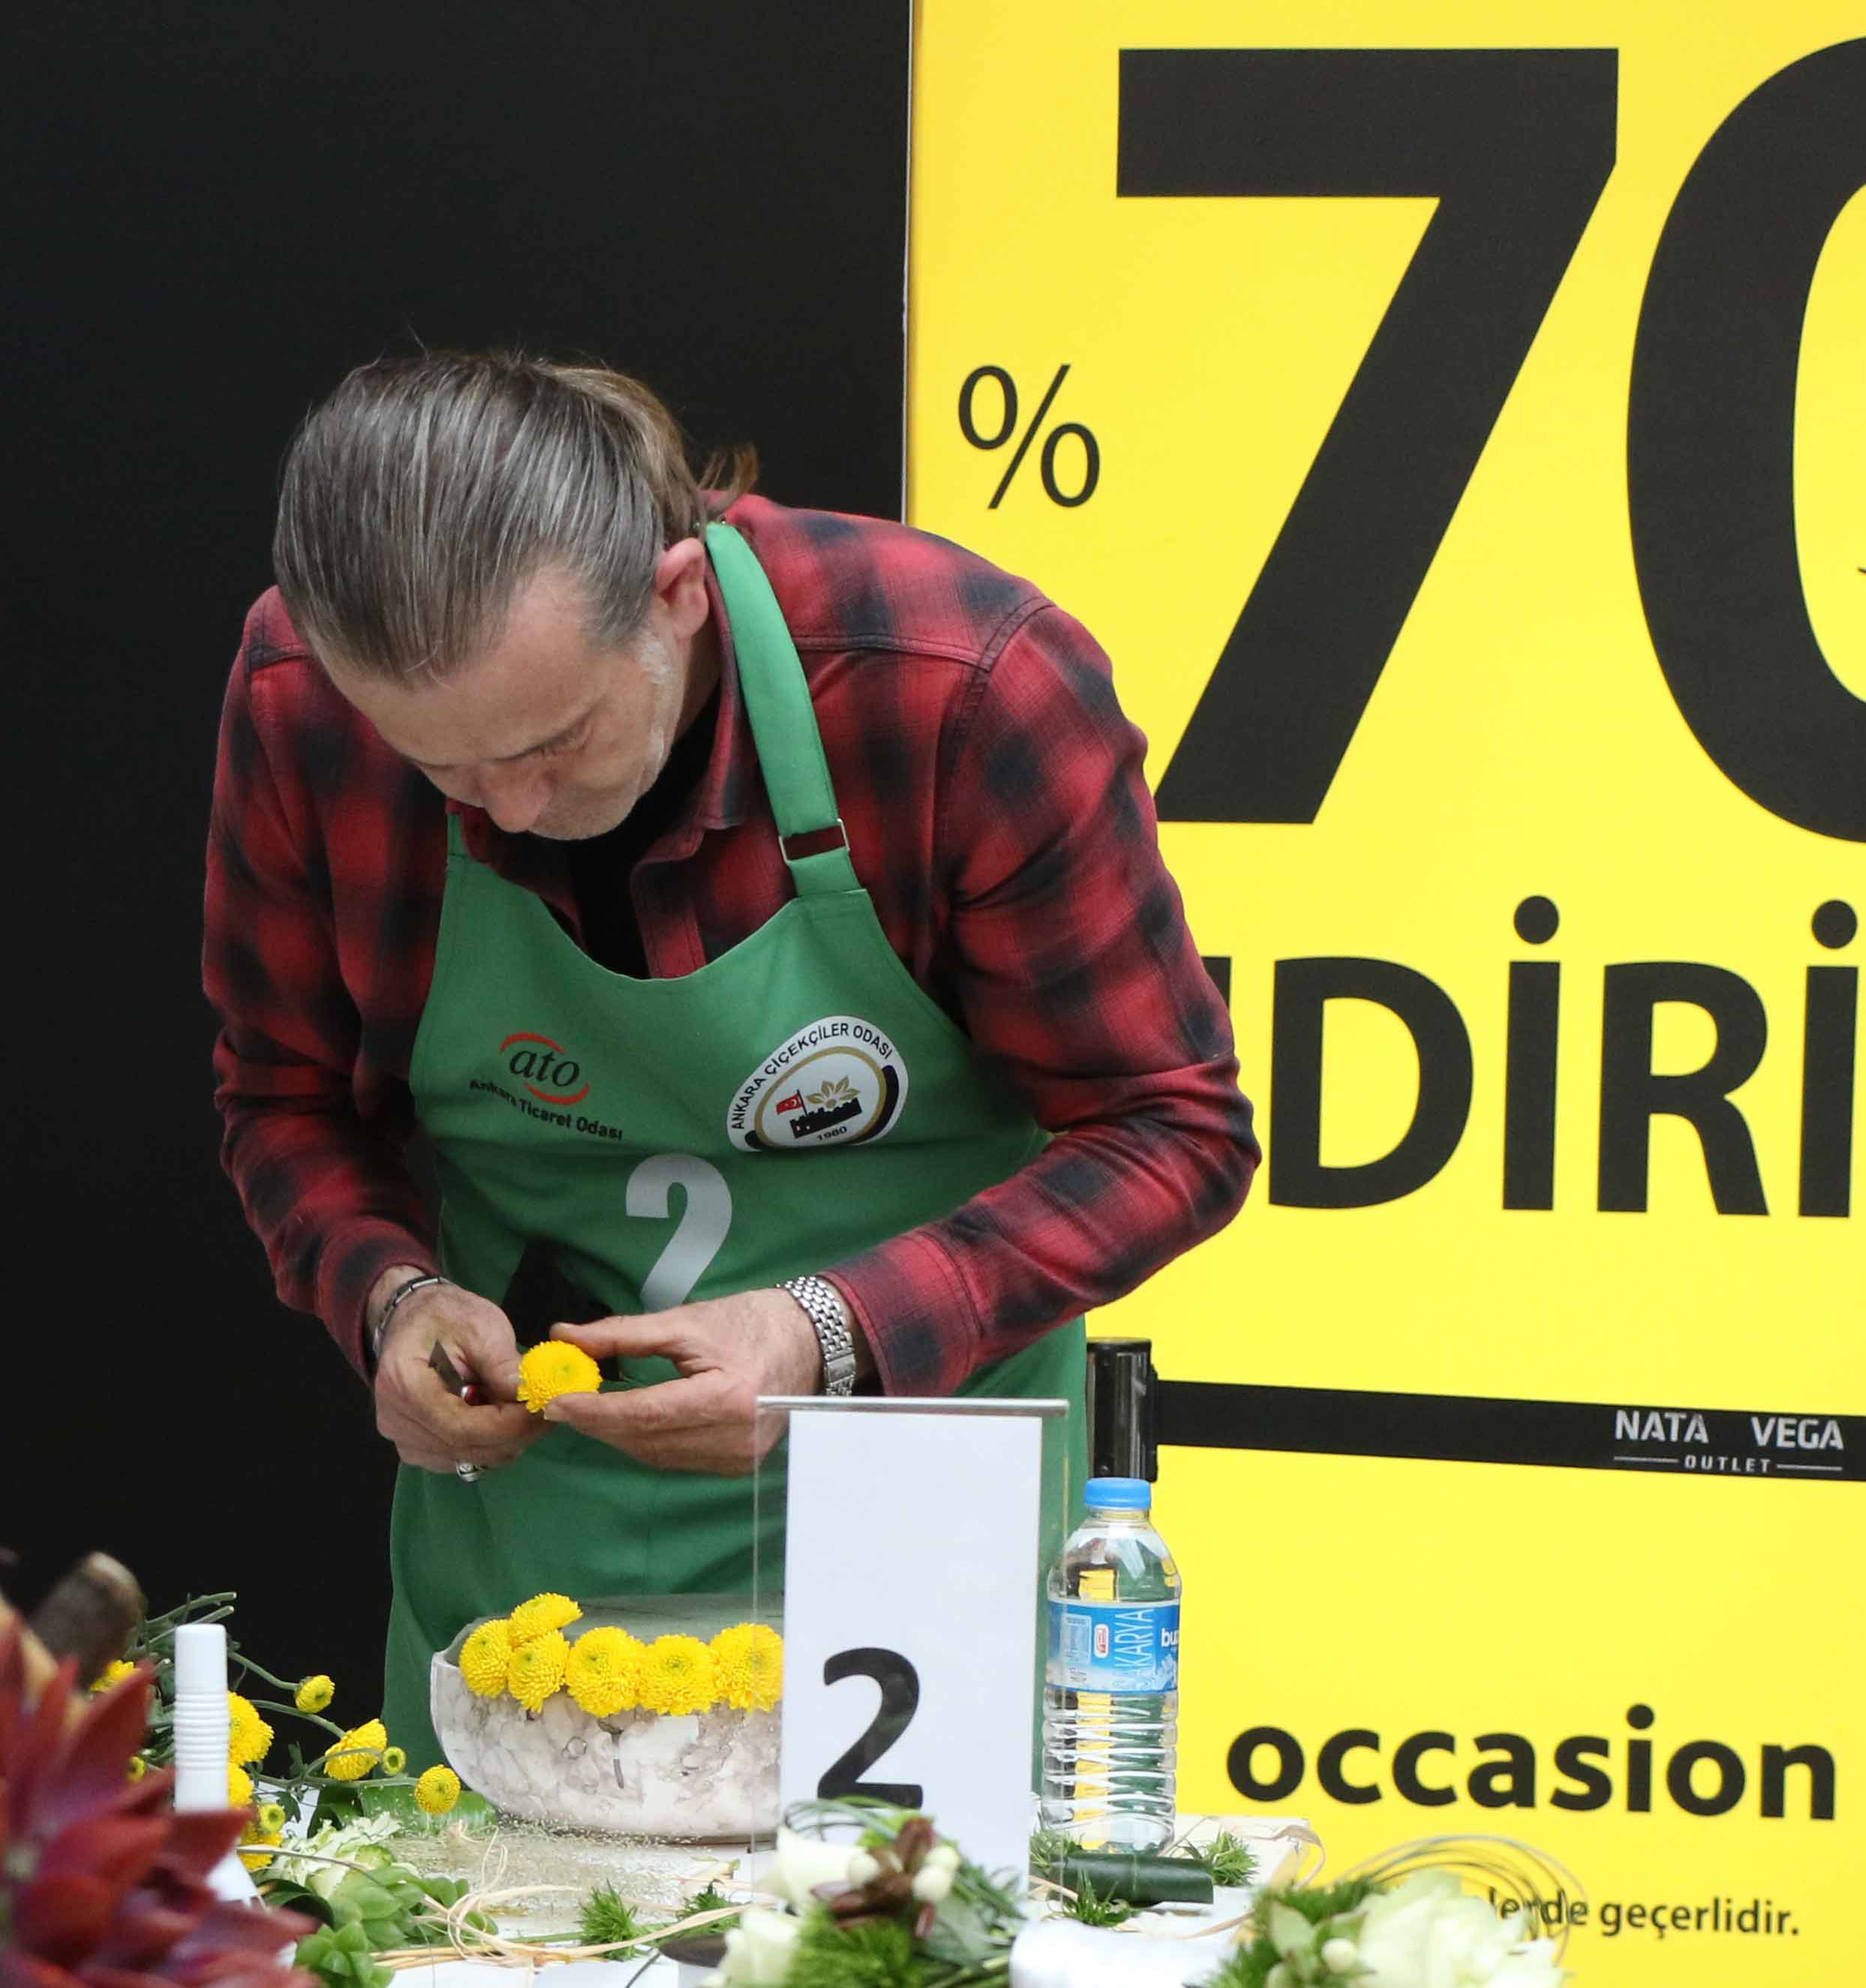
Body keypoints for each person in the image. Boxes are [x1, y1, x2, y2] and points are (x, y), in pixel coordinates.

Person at [202, 351, 1255, 1752]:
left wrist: (826, 1332)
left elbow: (1174, 1129)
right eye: (439, 769)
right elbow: (283, 1097)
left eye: (557, 739)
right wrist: (392, 1300)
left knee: (884, 1903)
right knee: (490, 1892)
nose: (506, 809)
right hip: (534, 1522)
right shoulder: (301, 697)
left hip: (919, 1491)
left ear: (679, 595)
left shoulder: (961, 685)